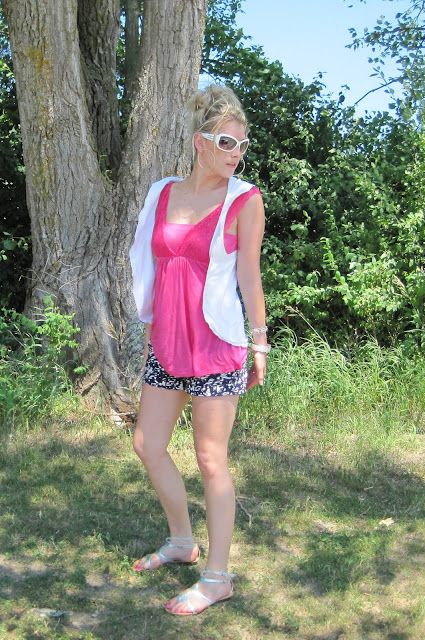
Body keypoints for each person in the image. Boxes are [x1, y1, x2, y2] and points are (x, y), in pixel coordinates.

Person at [128, 84, 270, 616]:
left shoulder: (245, 200)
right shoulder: (163, 193)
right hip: (167, 341)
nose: (236, 154)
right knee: (148, 443)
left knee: (211, 459)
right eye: (227, 143)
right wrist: (149, 324)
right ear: (200, 142)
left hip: (216, 345)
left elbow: (249, 275)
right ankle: (182, 541)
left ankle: (217, 577)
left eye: (242, 145)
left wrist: (260, 342)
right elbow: (151, 263)